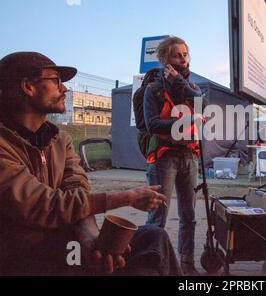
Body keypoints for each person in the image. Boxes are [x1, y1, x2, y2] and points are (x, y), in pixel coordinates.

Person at [0, 51, 182, 276]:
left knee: (154, 238)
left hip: (65, 245)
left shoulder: (58, 140)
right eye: (56, 80)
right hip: (23, 257)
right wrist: (126, 198)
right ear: (28, 86)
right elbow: (43, 205)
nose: (64, 89)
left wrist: (91, 237)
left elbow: (77, 189)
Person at [143, 36, 204, 276]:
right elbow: (152, 125)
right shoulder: (154, 89)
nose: (183, 58)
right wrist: (184, 122)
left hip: (189, 156)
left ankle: (187, 264)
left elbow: (202, 105)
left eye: (185, 54)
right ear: (164, 59)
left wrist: (180, 83)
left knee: (188, 215)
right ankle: (151, 265)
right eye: (177, 55)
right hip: (164, 158)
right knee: (158, 216)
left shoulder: (192, 88)